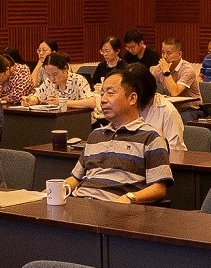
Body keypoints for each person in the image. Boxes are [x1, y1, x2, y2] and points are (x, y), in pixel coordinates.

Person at [65, 63, 172, 204]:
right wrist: (59, 189)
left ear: (132, 98)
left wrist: (130, 197)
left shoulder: (151, 137)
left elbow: (159, 189)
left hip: (115, 207)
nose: (103, 100)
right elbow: (76, 178)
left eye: (110, 93)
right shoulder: (96, 135)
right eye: (102, 93)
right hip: (80, 203)